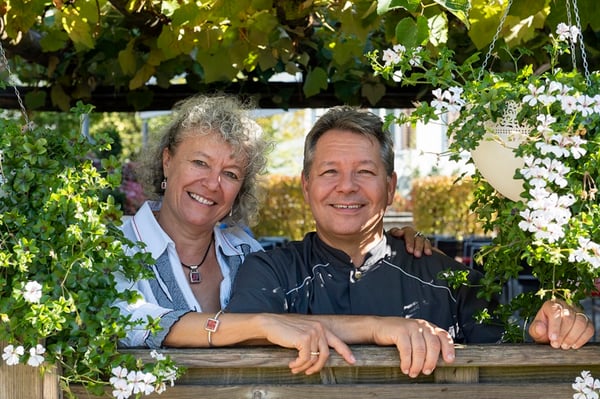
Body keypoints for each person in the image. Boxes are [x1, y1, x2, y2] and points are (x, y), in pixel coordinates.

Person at [226, 105, 595, 376]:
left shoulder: (448, 281)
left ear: (390, 187)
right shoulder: (269, 273)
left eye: (365, 172)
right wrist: (380, 327)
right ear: (306, 186)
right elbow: (238, 338)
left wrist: (548, 329)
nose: (347, 186)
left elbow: (509, 359)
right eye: (330, 172)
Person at [113, 94, 432, 375]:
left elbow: (297, 325)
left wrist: (392, 253)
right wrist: (258, 323)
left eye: (230, 173)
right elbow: (128, 320)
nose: (212, 183)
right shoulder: (111, 244)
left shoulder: (246, 252)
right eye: (199, 163)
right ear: (167, 161)